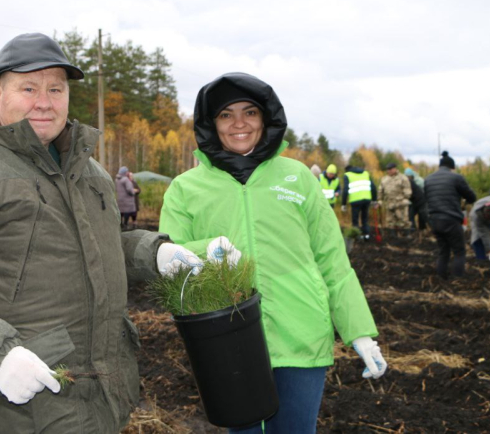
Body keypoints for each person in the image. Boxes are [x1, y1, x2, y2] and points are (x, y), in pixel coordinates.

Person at [0, 32, 186, 433]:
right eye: (28, 88)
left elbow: (99, 245)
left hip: (99, 401)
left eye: (55, 88)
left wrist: (154, 253)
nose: (44, 101)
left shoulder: (90, 173)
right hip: (14, 410)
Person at [159, 72, 386, 434]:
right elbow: (169, 258)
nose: (239, 124)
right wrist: (209, 251)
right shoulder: (186, 189)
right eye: (225, 114)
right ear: (210, 124)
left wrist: (358, 330)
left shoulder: (297, 178)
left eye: (250, 112)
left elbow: (332, 260)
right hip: (230, 342)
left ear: (266, 119)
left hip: (302, 333)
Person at [424, 151, 477, 279]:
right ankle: (457, 279)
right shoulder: (456, 178)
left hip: (434, 220)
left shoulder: (428, 179)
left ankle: (441, 278)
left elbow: (427, 198)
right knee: (459, 251)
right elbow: (471, 196)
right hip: (451, 219)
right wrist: (465, 201)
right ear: (452, 167)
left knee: (443, 252)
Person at [342, 163, 378, 240]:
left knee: (355, 220)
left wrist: (343, 204)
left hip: (355, 200)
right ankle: (366, 235)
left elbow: (345, 190)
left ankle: (357, 236)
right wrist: (374, 200)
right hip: (367, 199)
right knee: (365, 219)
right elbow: (373, 187)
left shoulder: (347, 175)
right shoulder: (365, 173)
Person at [378, 163, 412, 238]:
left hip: (400, 203)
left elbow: (407, 190)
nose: (389, 171)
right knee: (390, 221)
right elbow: (381, 190)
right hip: (389, 203)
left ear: (395, 169)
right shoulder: (384, 179)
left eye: (390, 169)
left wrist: (405, 199)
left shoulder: (403, 178)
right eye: (388, 170)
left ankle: (406, 236)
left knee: (403, 221)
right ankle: (392, 237)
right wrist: (380, 199)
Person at [468, 195, 490, 262]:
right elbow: (485, 235)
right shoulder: (476, 217)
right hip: (479, 219)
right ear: (485, 216)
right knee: (477, 239)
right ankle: (481, 261)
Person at [405, 168, 428, 234]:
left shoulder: (420, 181)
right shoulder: (406, 181)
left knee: (422, 216)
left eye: (409, 176)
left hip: (421, 201)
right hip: (412, 202)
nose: (408, 178)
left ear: (412, 176)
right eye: (407, 176)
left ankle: (423, 230)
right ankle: (413, 231)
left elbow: (423, 191)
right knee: (410, 216)